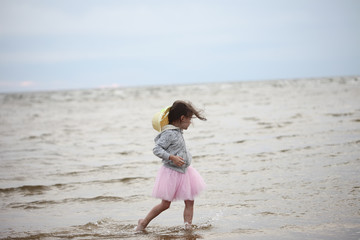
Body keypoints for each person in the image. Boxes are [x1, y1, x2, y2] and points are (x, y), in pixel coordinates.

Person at [136, 100, 207, 231]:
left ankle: (188, 227)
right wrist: (172, 157)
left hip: (185, 171)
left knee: (190, 201)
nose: (190, 122)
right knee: (165, 204)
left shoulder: (178, 131)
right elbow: (156, 149)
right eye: (190, 119)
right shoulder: (169, 133)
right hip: (171, 172)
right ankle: (143, 222)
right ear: (182, 118)